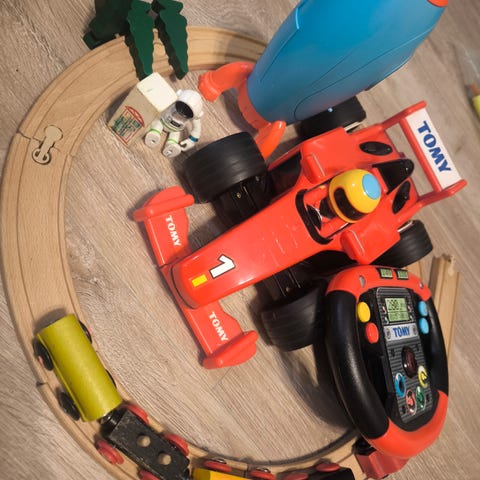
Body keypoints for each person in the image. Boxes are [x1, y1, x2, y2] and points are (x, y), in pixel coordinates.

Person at [144, 89, 203, 157]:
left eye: (187, 111)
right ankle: (154, 133)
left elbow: (196, 129)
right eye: (181, 105)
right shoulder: (172, 101)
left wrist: (191, 141)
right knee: (157, 125)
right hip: (162, 121)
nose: (183, 111)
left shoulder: (194, 115)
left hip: (175, 130)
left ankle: (171, 146)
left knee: (174, 137)